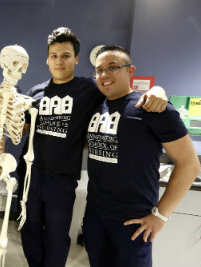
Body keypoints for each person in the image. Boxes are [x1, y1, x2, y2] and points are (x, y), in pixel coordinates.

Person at [19, 27, 168, 267]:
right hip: (29, 176)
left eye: (66, 55)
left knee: (57, 238)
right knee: (29, 232)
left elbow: (122, 93)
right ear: (47, 59)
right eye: (54, 55)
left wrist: (157, 90)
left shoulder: (90, 88)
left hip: (61, 179)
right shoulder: (35, 92)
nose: (59, 60)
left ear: (76, 59)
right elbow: (21, 130)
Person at [83, 44, 201, 267]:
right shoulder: (97, 109)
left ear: (131, 70)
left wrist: (161, 215)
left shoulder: (153, 108)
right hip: (95, 215)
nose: (104, 74)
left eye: (113, 67)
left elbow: (189, 164)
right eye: (98, 70)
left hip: (132, 221)